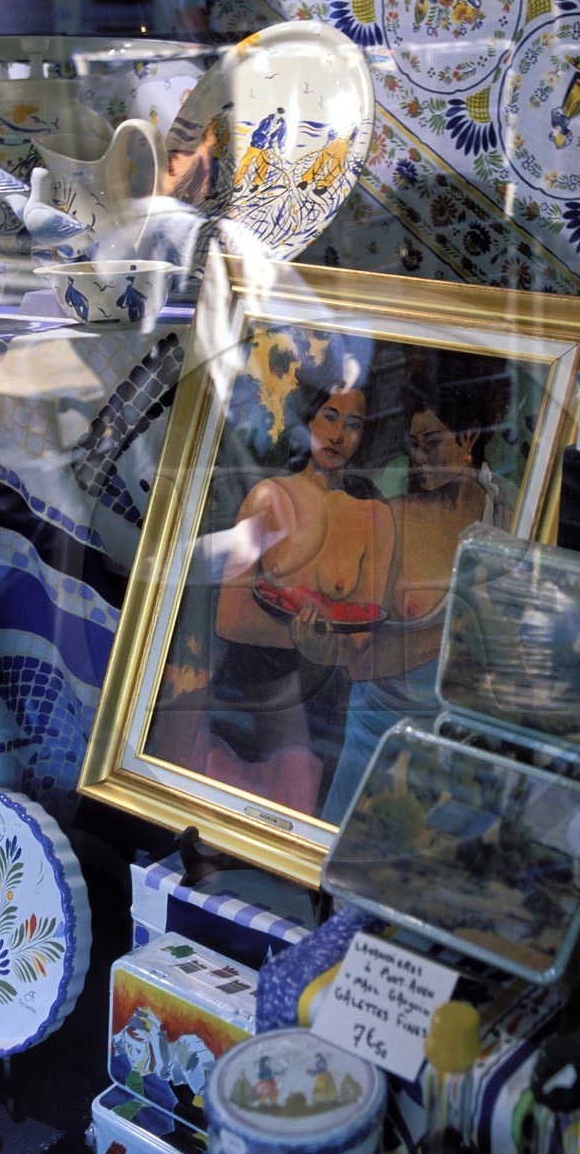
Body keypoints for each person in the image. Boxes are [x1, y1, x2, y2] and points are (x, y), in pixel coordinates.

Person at [152, 364, 392, 817]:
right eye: (329, 416)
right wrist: (304, 639)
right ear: (308, 421)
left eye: (353, 423)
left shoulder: (373, 517)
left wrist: (325, 647)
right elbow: (229, 616)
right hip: (246, 695)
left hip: (324, 709)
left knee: (294, 829)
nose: (339, 435)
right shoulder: (267, 496)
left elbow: (363, 634)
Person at [317, 349, 513, 827]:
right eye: (412, 443)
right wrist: (458, 624)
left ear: (468, 438)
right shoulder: (393, 518)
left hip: (462, 747)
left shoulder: (509, 515)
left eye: (432, 441)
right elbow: (360, 662)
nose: (418, 455)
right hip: (381, 741)